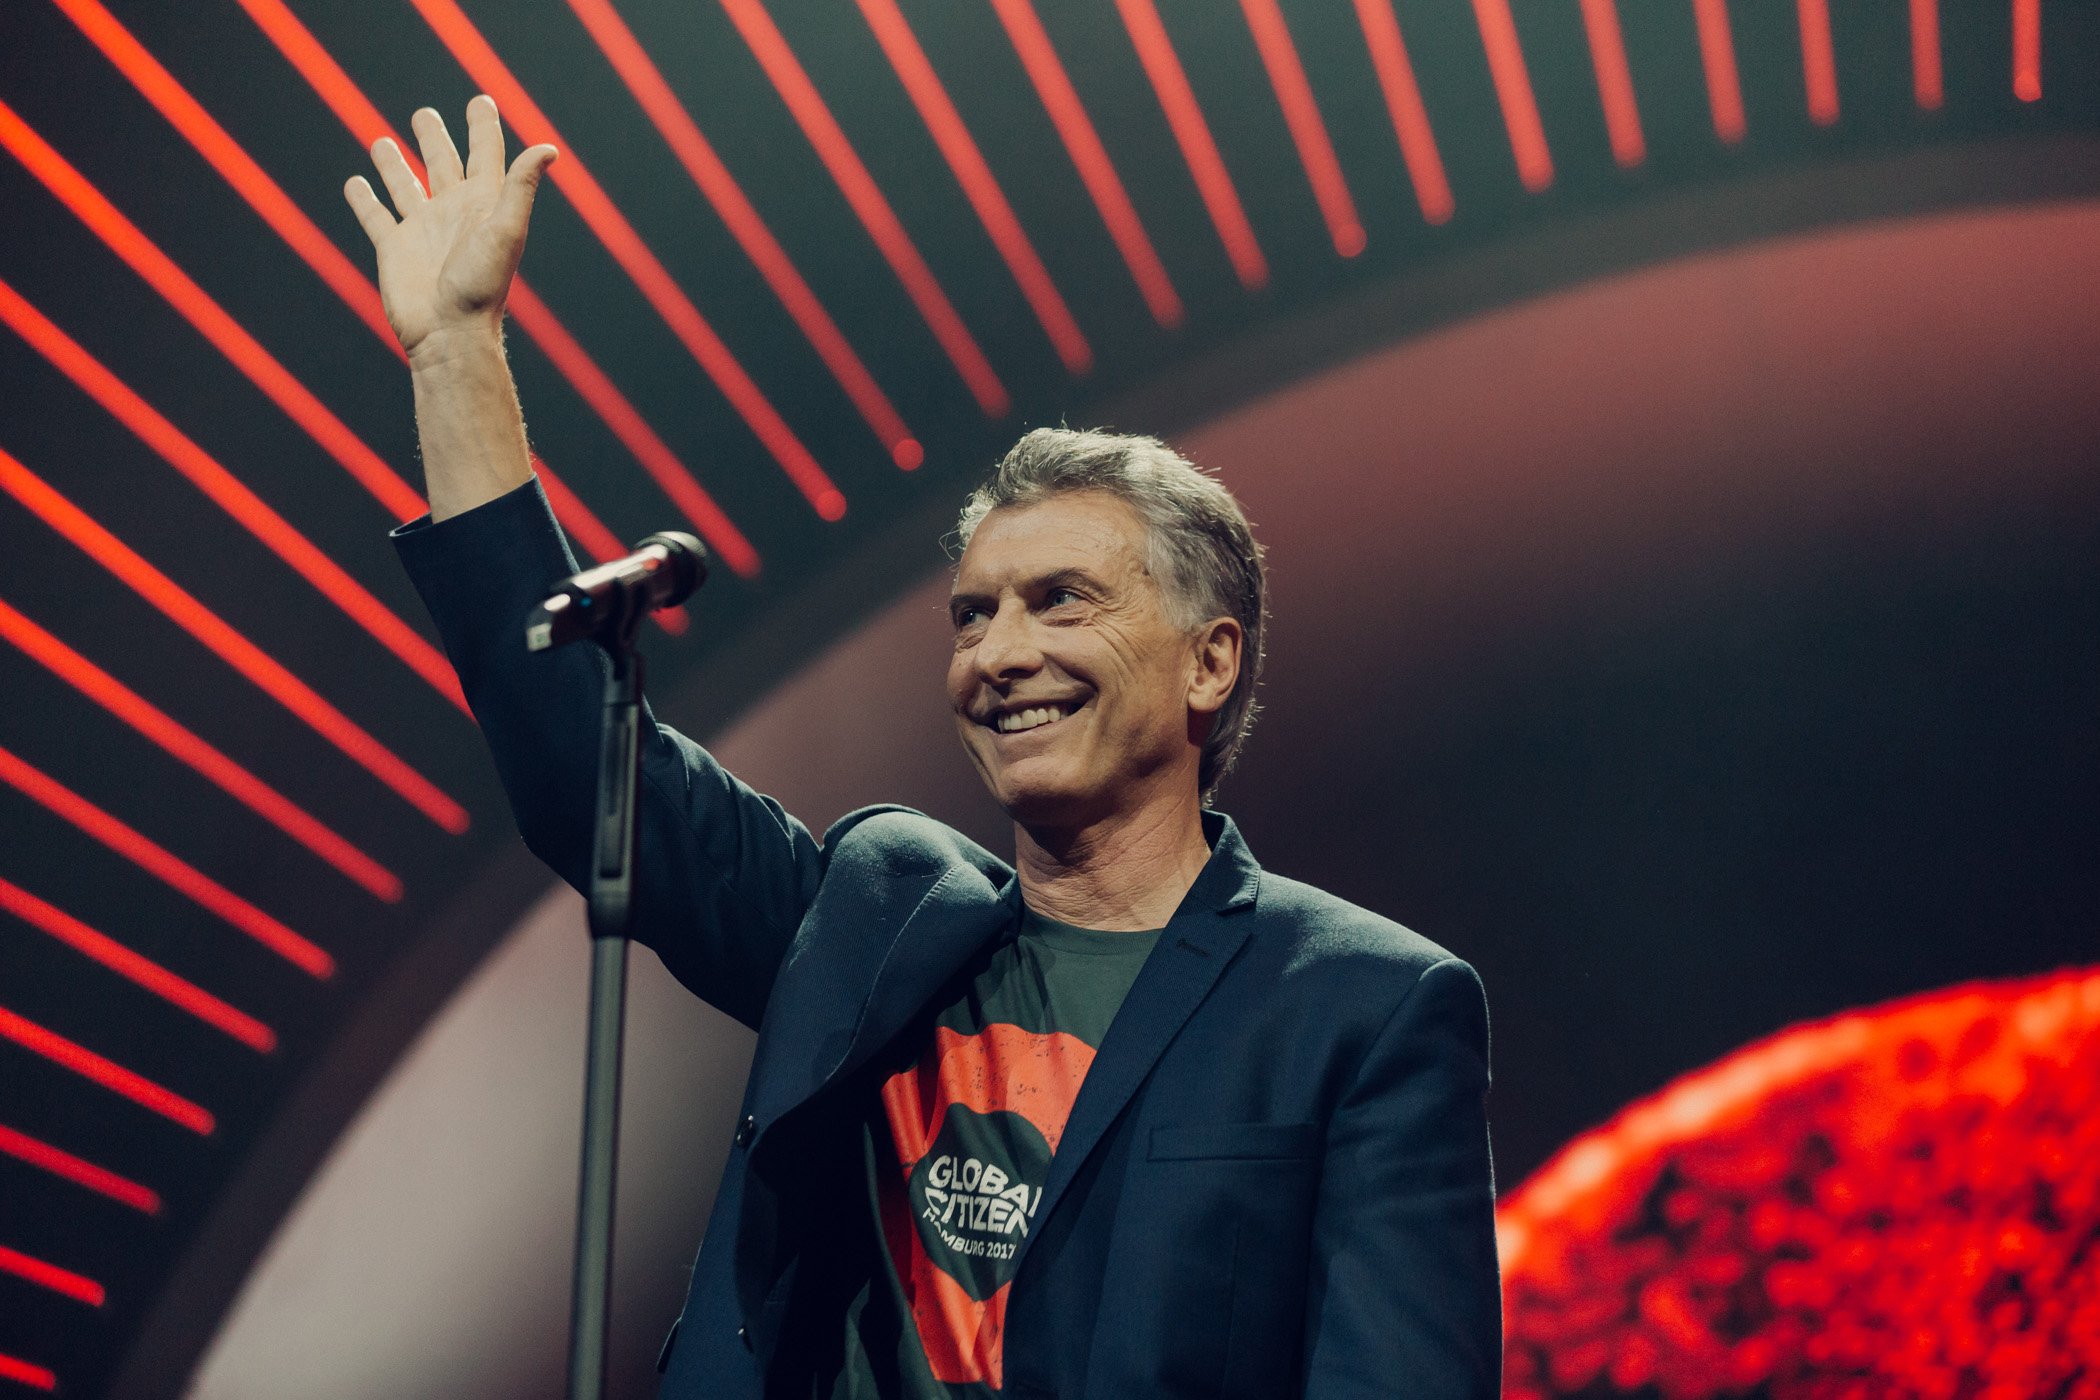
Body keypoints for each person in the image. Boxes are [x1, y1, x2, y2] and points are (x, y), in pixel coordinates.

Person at [348, 96, 1502, 1399]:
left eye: (1061, 601)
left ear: (1209, 662)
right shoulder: (875, 922)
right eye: (973, 615)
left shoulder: (1362, 1007)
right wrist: (455, 353)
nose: (997, 653)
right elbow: (587, 776)